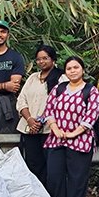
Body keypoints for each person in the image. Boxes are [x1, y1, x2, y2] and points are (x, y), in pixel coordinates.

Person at [43, 56, 99, 197]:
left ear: (82, 69)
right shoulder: (59, 88)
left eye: (76, 67)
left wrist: (73, 133)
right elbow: (49, 109)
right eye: (69, 68)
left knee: (77, 178)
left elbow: (92, 116)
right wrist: (55, 128)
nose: (73, 71)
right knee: (54, 176)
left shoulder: (91, 90)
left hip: (80, 141)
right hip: (57, 139)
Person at [16, 45, 66, 187]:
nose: (41, 62)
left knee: (51, 168)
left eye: (45, 58)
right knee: (33, 166)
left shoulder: (61, 78)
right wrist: (30, 120)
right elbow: (21, 100)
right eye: (38, 59)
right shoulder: (32, 78)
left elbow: (61, 103)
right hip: (29, 129)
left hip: (50, 130)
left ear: (53, 59)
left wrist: (41, 121)